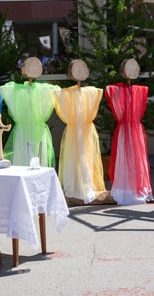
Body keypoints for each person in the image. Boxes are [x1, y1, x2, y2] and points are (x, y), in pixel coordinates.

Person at [52, 59, 106, 204]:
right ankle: (75, 186)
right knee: (74, 157)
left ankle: (86, 184)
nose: (80, 71)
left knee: (86, 157)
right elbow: (57, 94)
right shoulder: (68, 93)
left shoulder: (90, 92)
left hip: (86, 131)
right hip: (74, 131)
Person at [104, 58, 153, 205]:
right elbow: (109, 90)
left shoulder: (140, 91)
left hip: (135, 131)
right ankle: (125, 191)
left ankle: (135, 190)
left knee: (136, 160)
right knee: (124, 160)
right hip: (125, 131)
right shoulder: (116, 90)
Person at [0, 57, 59, 167]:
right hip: (23, 133)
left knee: (38, 158)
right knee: (23, 158)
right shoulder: (17, 90)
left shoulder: (45, 90)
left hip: (37, 133)